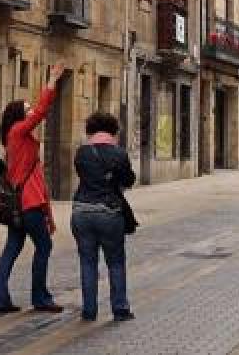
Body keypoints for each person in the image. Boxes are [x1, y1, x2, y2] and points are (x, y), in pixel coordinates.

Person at [0, 63, 67, 314]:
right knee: (44, 246)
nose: (31, 110)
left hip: (19, 202)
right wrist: (52, 81)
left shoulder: (13, 136)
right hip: (28, 203)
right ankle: (40, 297)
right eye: (26, 109)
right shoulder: (18, 132)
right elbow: (42, 111)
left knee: (12, 249)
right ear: (19, 117)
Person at [71, 110, 136, 322]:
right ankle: (120, 309)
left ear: (90, 129)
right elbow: (128, 180)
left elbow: (84, 176)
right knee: (115, 262)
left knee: (87, 262)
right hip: (109, 212)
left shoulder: (81, 153)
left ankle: (89, 311)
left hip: (81, 212)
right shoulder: (119, 154)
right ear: (113, 130)